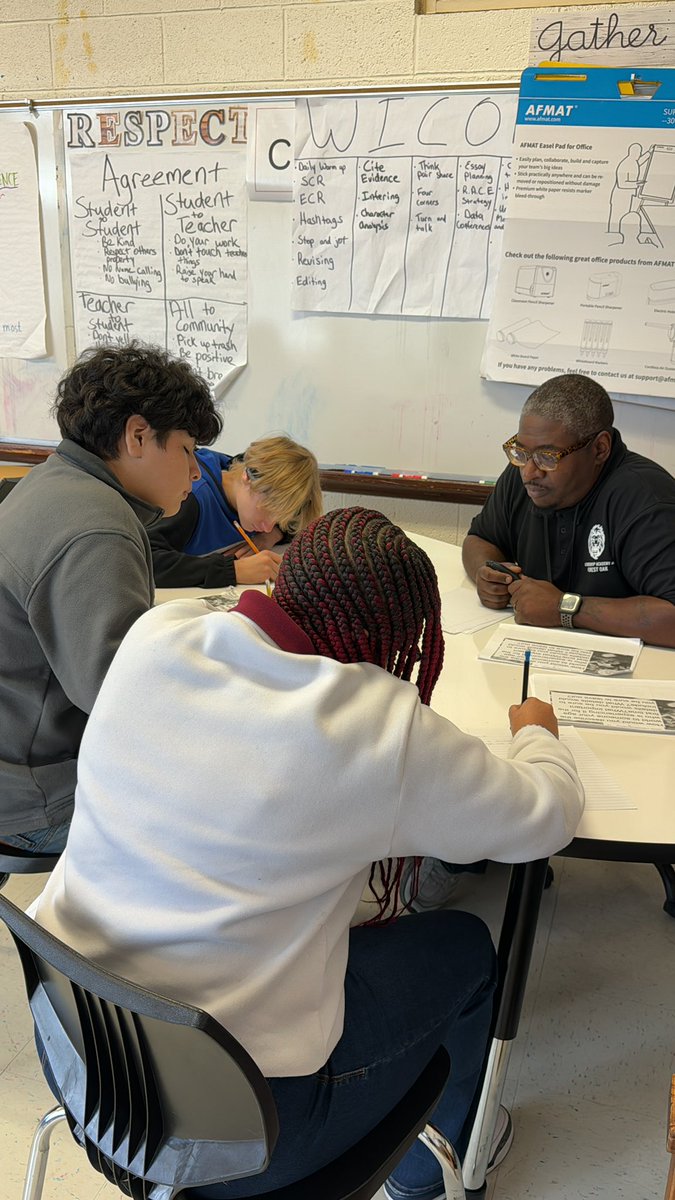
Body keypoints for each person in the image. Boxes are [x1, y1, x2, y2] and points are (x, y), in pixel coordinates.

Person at [32, 507, 584, 1200]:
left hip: (79, 1054)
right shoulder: (372, 726)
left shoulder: (158, 635)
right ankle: (428, 1173)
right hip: (248, 1135)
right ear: (394, 637)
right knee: (466, 947)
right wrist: (537, 735)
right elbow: (543, 818)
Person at [0, 341, 222, 855]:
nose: (196, 473)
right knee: (225, 807)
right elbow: (122, 699)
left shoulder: (53, 479)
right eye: (188, 451)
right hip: (35, 797)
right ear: (138, 435)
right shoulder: (98, 526)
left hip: (16, 754)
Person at [462, 373, 675, 648]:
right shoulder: (524, 474)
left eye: (548, 457)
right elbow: (480, 539)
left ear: (600, 449)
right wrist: (487, 573)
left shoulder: (646, 500)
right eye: (521, 452)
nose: (529, 472)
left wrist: (565, 608)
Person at [148, 434, 322, 588]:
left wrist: (272, 536)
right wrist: (233, 570)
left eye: (277, 520)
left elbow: (299, 523)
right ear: (247, 478)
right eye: (268, 511)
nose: (268, 526)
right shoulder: (190, 497)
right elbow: (146, 562)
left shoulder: (253, 479)